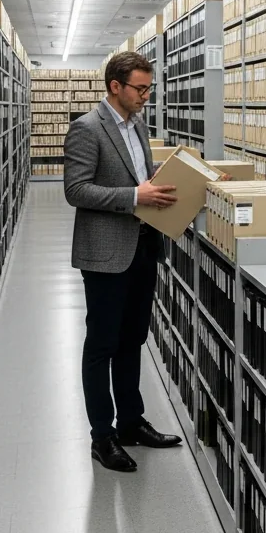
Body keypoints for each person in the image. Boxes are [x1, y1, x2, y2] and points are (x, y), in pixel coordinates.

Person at [63, 51, 183, 472]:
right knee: (102, 344)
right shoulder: (87, 128)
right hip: (106, 253)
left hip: (143, 246)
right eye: (140, 88)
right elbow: (76, 191)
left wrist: (159, 190)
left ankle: (131, 422)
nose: (147, 96)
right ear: (116, 86)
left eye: (149, 88)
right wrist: (135, 197)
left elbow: (140, 180)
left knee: (133, 339)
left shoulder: (139, 125)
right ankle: (103, 436)